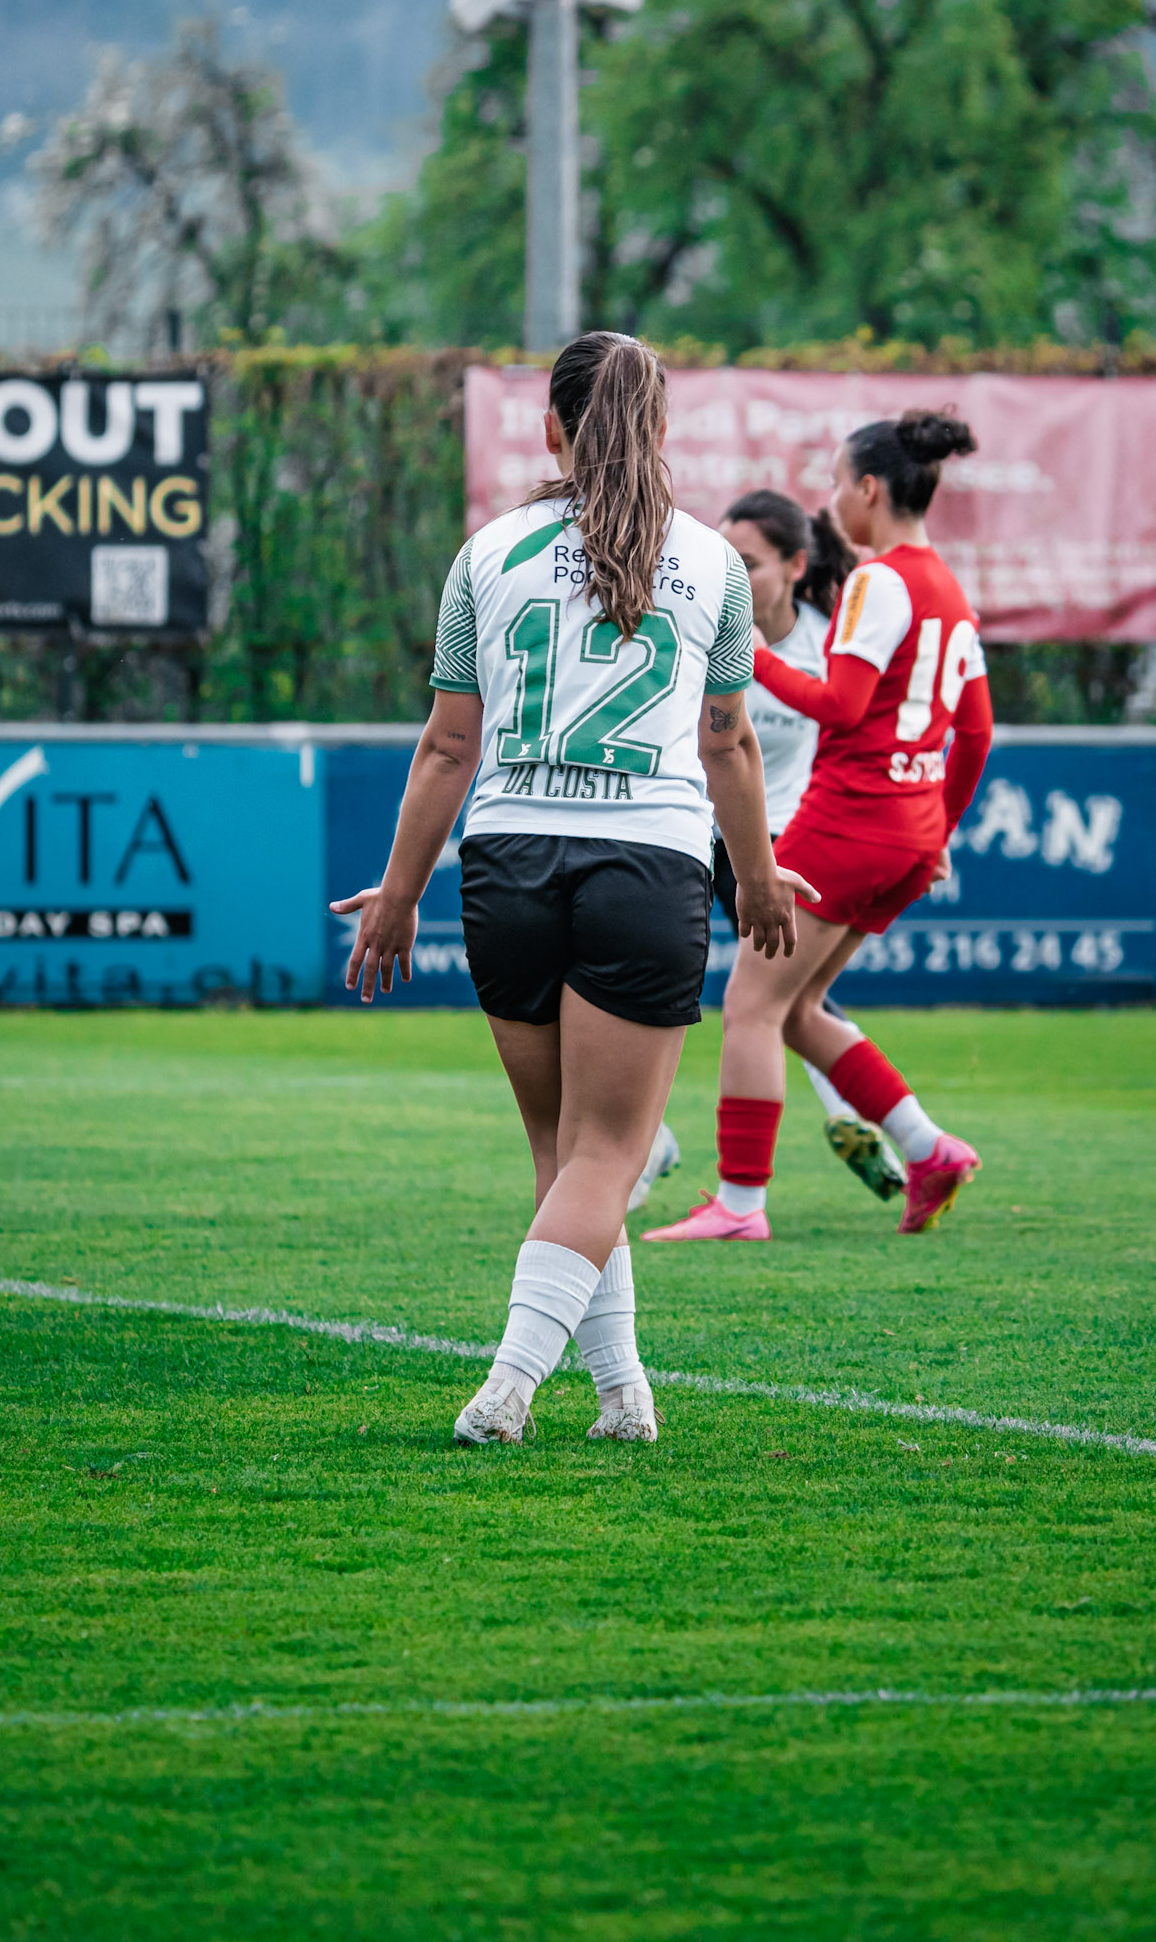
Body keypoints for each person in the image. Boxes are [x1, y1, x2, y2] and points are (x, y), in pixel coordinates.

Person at [331, 331, 815, 1445]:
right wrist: (757, 873)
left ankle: (622, 1394)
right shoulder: (712, 564)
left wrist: (402, 891)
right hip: (645, 864)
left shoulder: (488, 552)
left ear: (550, 427)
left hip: (505, 864)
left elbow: (447, 746)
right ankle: (506, 1388)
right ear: (658, 432)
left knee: (569, 1156)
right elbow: (730, 740)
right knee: (607, 1154)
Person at [644, 408, 995, 1245]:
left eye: (838, 482)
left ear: (869, 488)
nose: (834, 500)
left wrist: (745, 653)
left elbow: (838, 705)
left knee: (750, 1007)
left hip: (848, 819)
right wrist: (937, 827)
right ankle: (928, 1149)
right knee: (796, 1008)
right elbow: (975, 730)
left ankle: (738, 1202)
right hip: (905, 832)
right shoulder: (946, 586)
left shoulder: (880, 580)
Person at [629, 488, 902, 1210]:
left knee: (771, 998)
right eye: (727, 559)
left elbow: (853, 727)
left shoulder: (825, 641)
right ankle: (648, 1138)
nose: (733, 573)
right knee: (682, 983)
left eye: (747, 562)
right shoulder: (703, 628)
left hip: (785, 841)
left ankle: (830, 1141)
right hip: (700, 832)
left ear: (793, 566)